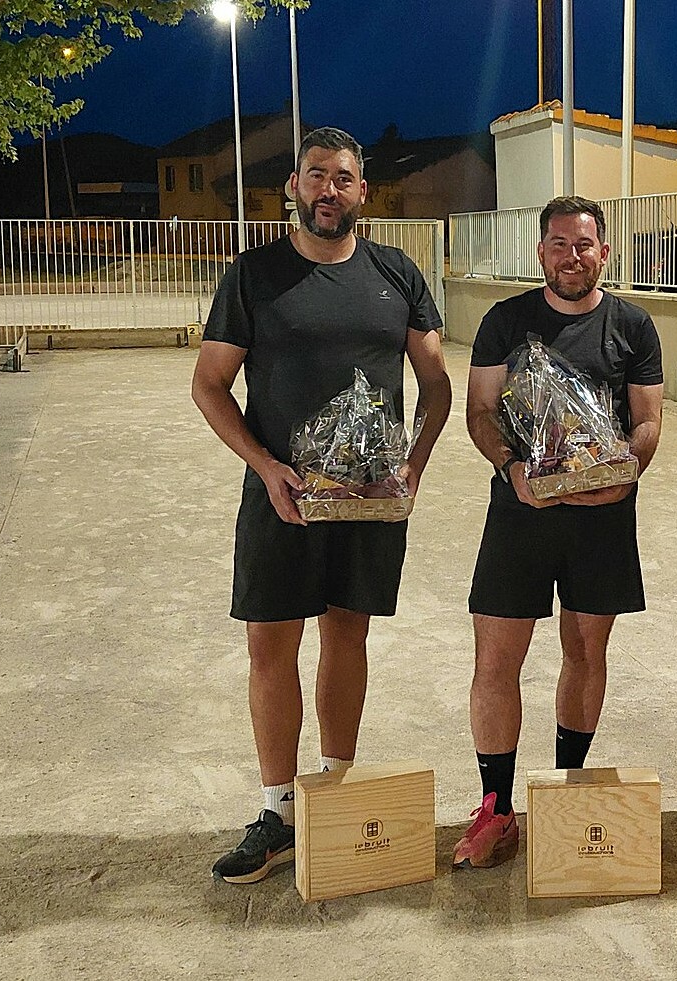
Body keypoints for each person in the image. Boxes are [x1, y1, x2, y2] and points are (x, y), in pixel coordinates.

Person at [191, 126, 452, 883]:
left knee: (347, 638)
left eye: (342, 177)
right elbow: (209, 384)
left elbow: (436, 385)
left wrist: (411, 468)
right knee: (270, 648)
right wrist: (266, 467)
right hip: (281, 497)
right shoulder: (254, 274)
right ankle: (276, 812)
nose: (327, 190)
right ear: (294, 187)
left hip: (368, 505)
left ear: (362, 190)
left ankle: (334, 791)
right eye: (315, 175)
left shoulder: (397, 273)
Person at [456, 195, 664, 869]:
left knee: (585, 652)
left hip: (603, 517)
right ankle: (495, 806)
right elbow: (480, 410)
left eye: (583, 244)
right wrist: (512, 467)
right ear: (540, 250)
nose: (571, 256)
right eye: (558, 244)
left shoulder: (632, 324)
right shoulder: (505, 321)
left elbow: (648, 421)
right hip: (520, 511)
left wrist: (624, 473)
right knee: (495, 661)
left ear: (605, 251)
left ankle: (565, 791)